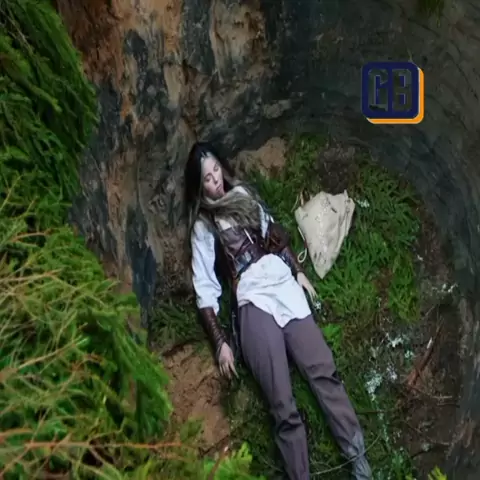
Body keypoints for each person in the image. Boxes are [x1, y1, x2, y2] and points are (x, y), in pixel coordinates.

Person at [184, 141, 372, 480]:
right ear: (199, 187)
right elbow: (205, 287)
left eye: (216, 171)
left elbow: (272, 234)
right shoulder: (204, 225)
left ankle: (359, 459)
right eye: (207, 179)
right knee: (282, 403)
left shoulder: (243, 194)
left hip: (281, 283)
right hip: (251, 298)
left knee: (323, 370)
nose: (216, 181)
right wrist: (220, 341)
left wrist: (298, 272)